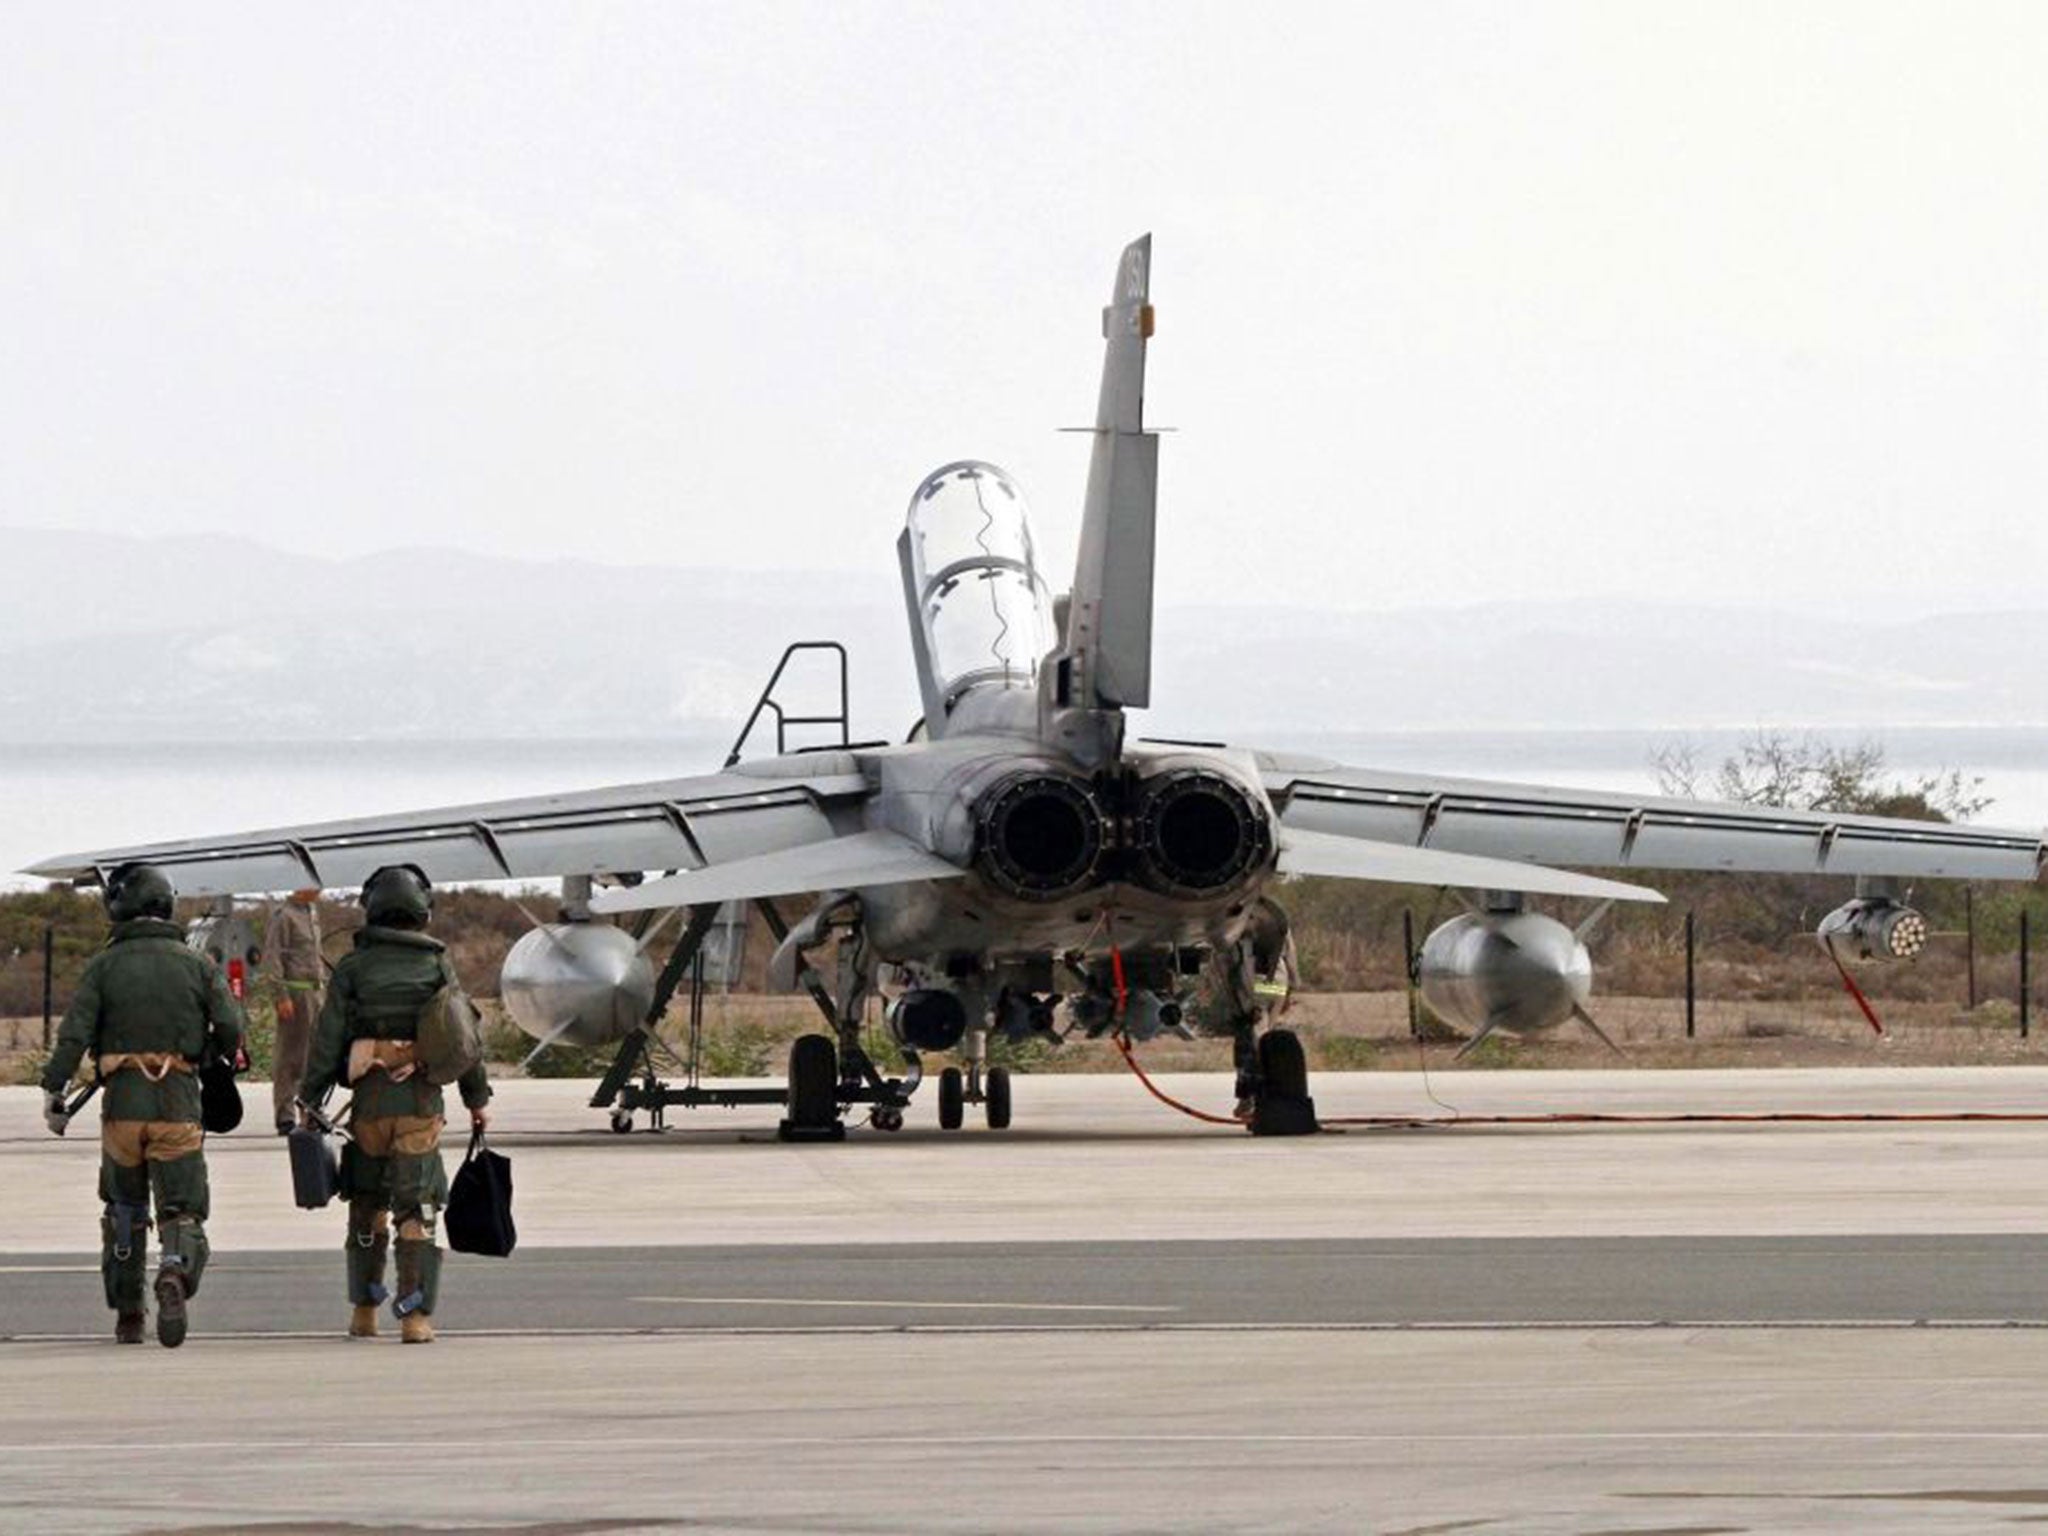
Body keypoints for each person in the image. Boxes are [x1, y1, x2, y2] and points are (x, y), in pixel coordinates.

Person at [40, 862, 244, 1347]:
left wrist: (54, 1091)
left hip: (123, 1108)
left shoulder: (104, 966)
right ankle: (174, 1271)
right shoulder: (197, 964)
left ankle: (129, 1315)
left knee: (124, 1209)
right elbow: (231, 1027)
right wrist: (211, 1058)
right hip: (177, 1103)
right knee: (182, 1209)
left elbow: (74, 1034)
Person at [298, 864, 490, 1343]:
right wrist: (477, 1098)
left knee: (365, 1204)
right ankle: (415, 1318)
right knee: (417, 1208)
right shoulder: (436, 966)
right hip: (420, 1104)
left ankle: (364, 1313)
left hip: (369, 1106)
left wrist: (310, 1097)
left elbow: (327, 1040)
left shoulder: (353, 969)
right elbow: (462, 1037)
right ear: (422, 910)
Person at [267, 887, 325, 1135]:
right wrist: (281, 996)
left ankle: (311, 1110)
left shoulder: (311, 913)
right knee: (290, 1058)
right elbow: (273, 958)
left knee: (314, 1056)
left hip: (315, 993)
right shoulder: (284, 916)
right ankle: (285, 1116)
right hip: (295, 994)